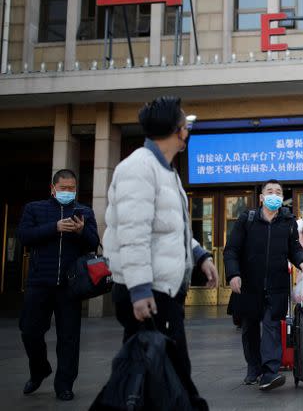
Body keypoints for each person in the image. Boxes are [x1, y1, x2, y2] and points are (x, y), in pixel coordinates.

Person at [104, 96, 219, 406]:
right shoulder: (138, 168)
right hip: (149, 294)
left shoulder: (166, 171)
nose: (188, 128)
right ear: (176, 130)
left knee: (156, 375)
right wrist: (140, 291)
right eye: (185, 123)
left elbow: (172, 228)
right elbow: (133, 234)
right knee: (170, 375)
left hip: (163, 293)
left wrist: (200, 255)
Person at [17, 169, 99, 401]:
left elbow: (94, 243)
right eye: (63, 188)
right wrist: (54, 227)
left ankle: (64, 385)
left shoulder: (84, 212)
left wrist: (82, 231)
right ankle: (39, 369)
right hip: (39, 282)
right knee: (30, 331)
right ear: (53, 188)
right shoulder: (34, 209)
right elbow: (24, 236)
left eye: (72, 188)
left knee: (69, 337)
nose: (68, 192)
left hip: (70, 285)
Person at [223, 179, 303, 390]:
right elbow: (231, 250)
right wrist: (233, 274)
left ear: (282, 198)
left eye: (278, 192)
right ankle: (254, 367)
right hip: (248, 285)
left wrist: (302, 261)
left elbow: (294, 248)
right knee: (249, 329)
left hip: (276, 285)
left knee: (272, 326)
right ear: (261, 197)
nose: (274, 195)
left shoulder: (288, 221)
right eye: (269, 191)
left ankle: (270, 373)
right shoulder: (248, 219)